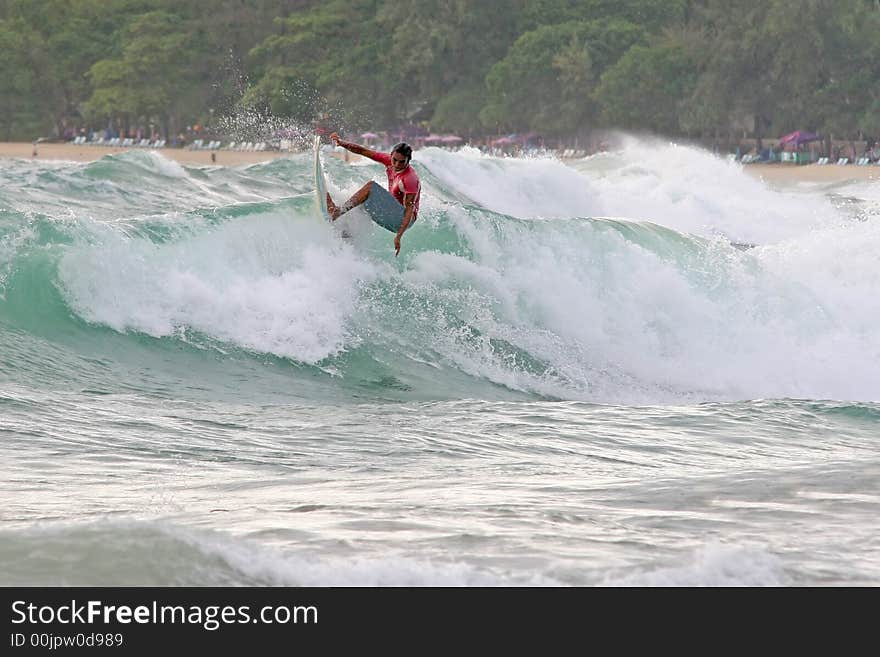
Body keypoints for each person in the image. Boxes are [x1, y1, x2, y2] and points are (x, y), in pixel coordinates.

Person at [327, 132, 420, 256]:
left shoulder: (410, 178)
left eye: (402, 162)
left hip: (403, 219)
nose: (397, 164)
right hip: (393, 211)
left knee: (370, 187)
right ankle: (346, 235)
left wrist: (399, 236)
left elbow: (410, 209)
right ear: (391, 155)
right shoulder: (389, 161)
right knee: (361, 201)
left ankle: (337, 212)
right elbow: (363, 151)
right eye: (395, 160)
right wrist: (341, 142)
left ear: (408, 160)